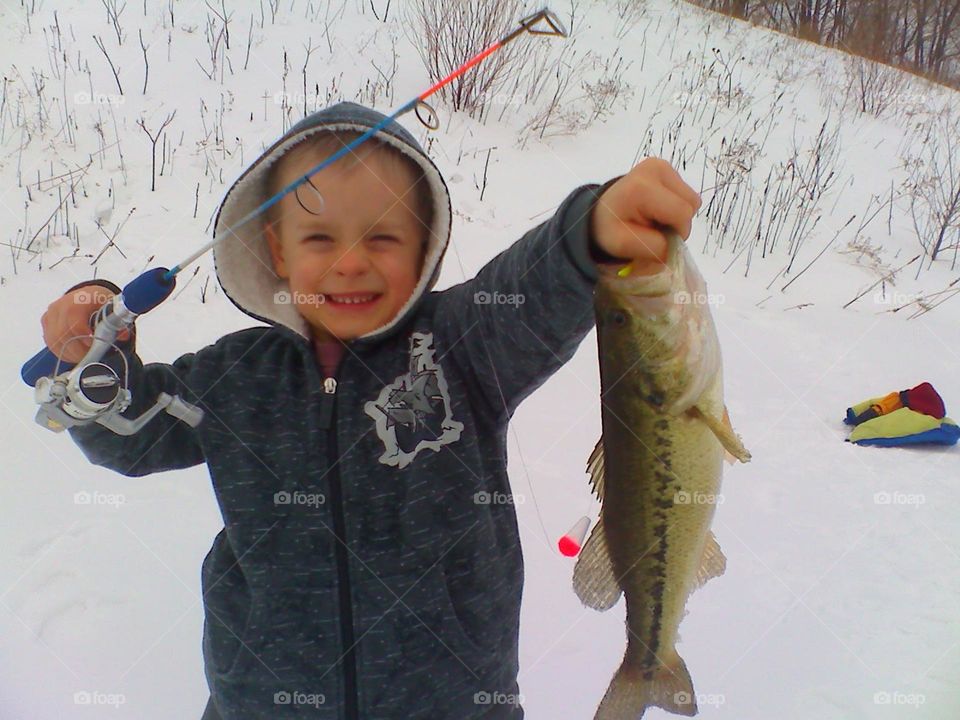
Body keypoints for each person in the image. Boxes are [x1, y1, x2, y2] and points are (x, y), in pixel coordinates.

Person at [39, 102, 701, 719]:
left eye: (383, 237)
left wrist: (590, 233)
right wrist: (91, 358)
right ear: (278, 250)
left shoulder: (464, 346)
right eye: (319, 237)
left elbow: (531, 291)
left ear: (423, 247)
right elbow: (131, 434)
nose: (351, 262)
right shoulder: (234, 376)